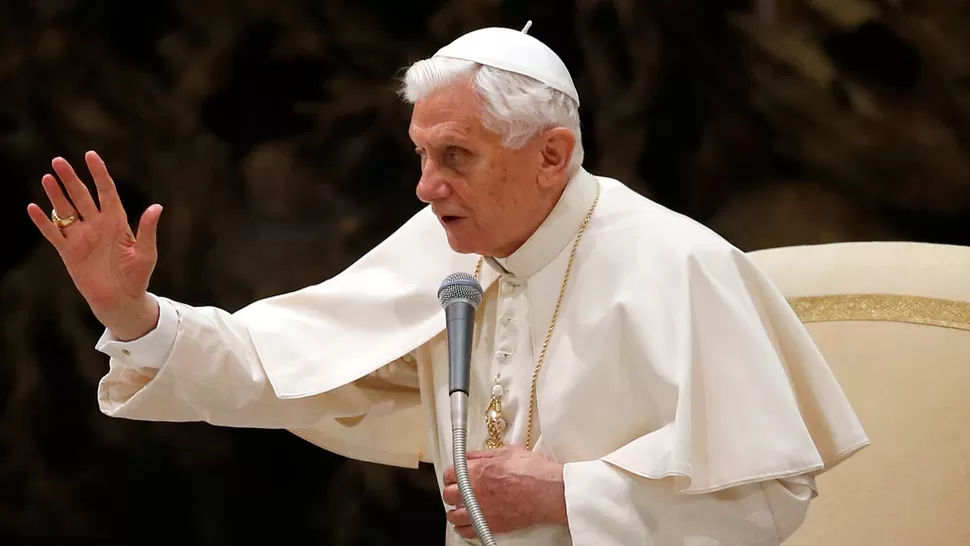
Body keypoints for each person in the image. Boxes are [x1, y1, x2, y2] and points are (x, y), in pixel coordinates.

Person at [27, 24, 869, 546]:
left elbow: (772, 500)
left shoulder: (681, 266)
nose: (427, 187)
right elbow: (273, 361)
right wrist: (129, 312)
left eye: (455, 158)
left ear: (551, 156)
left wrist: (566, 495)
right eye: (422, 156)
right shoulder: (447, 244)